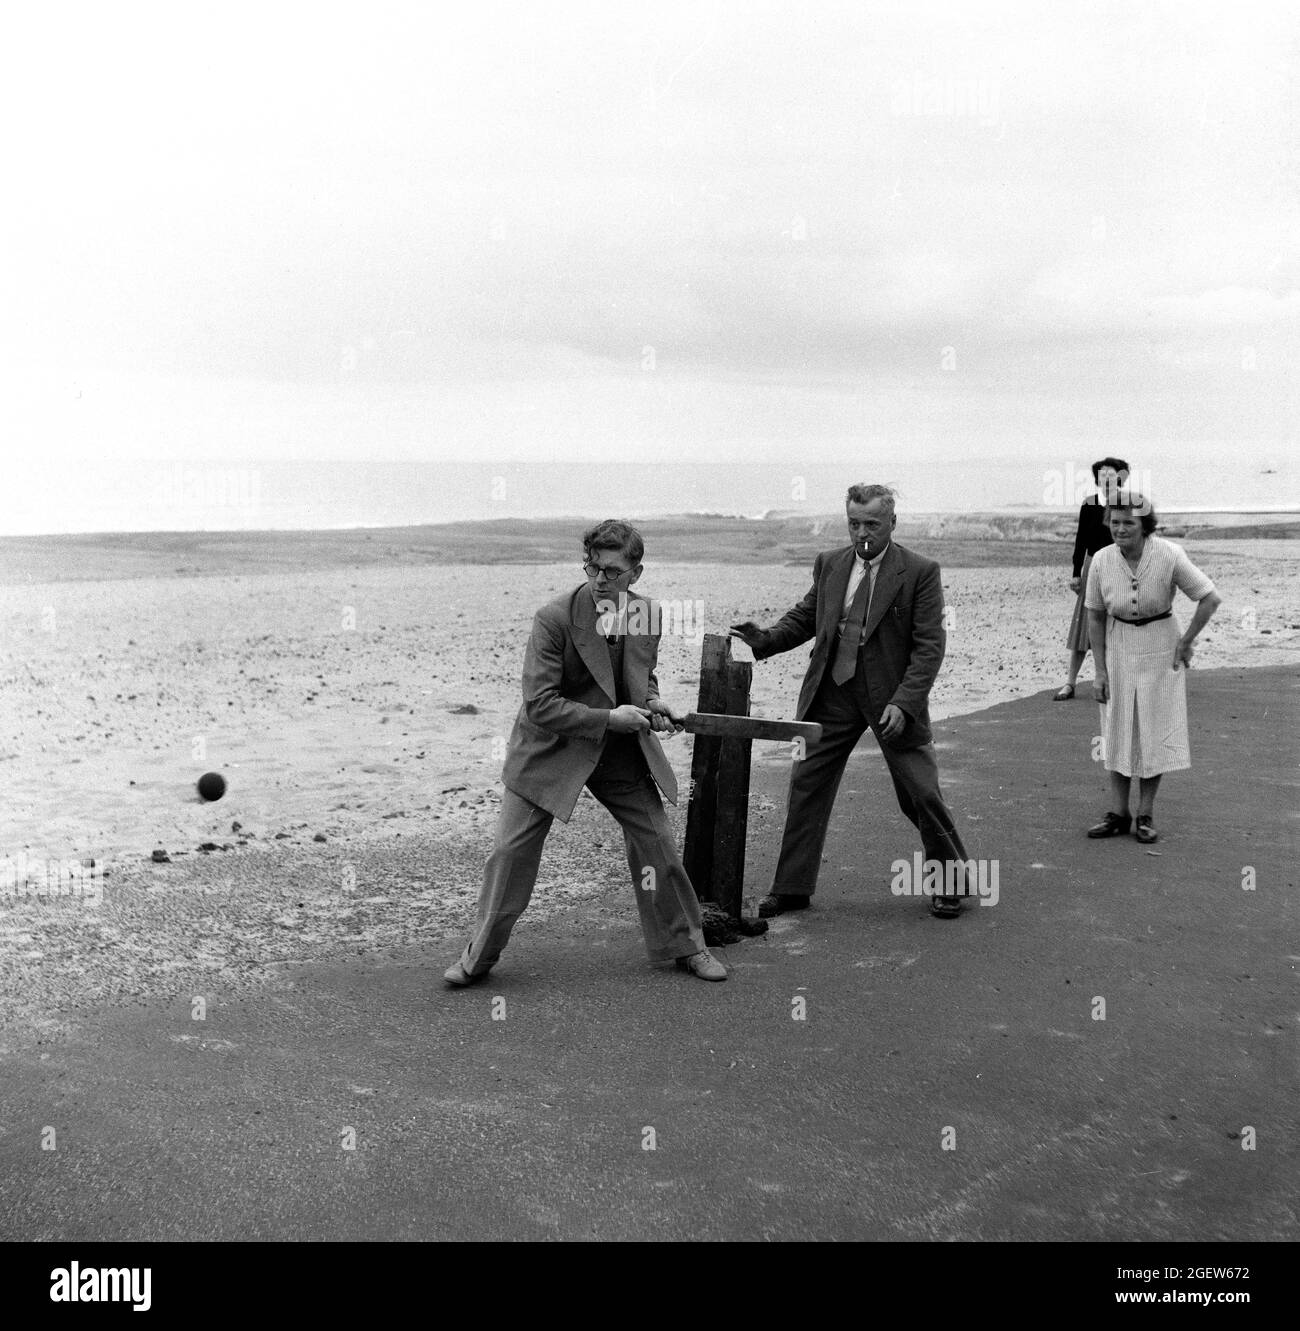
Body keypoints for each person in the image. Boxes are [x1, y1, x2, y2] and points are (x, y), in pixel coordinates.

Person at [444, 519, 727, 986]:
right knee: (510, 854)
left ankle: (688, 947)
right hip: (550, 749)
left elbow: (641, 676)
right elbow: (539, 705)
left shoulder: (646, 614)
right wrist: (609, 718)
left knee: (657, 846)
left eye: (612, 571)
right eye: (592, 568)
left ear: (635, 574)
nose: (599, 580)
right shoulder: (554, 617)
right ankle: (478, 957)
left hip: (617, 750)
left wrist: (652, 702)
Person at [730, 483, 972, 919]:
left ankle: (950, 881)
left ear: (892, 523)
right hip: (832, 691)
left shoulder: (919, 571)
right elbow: (808, 616)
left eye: (872, 524)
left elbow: (929, 646)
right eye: (854, 523)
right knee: (807, 785)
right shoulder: (829, 564)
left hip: (891, 700)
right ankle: (792, 887)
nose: (862, 533)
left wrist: (905, 701)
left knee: (920, 790)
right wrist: (765, 638)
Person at [1084, 493, 1221, 843]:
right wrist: (1099, 670)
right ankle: (1118, 813)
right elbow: (1095, 616)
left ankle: (1145, 814)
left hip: (1161, 648)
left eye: (1129, 522)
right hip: (1117, 649)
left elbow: (1209, 597)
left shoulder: (1169, 554)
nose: (1120, 529)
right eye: (1114, 522)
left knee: (1153, 730)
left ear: (1146, 525)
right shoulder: (1101, 560)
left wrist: (1187, 640)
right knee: (1116, 728)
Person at [1054, 456, 1130, 700]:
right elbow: (1081, 541)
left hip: (1120, 566)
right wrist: (1076, 574)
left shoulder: (1127, 504)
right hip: (1092, 567)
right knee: (1084, 623)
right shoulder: (1089, 504)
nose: (1106, 479)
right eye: (1102, 475)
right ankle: (1070, 682)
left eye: (1112, 474)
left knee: (1119, 622)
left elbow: (1135, 537)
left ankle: (1116, 681)